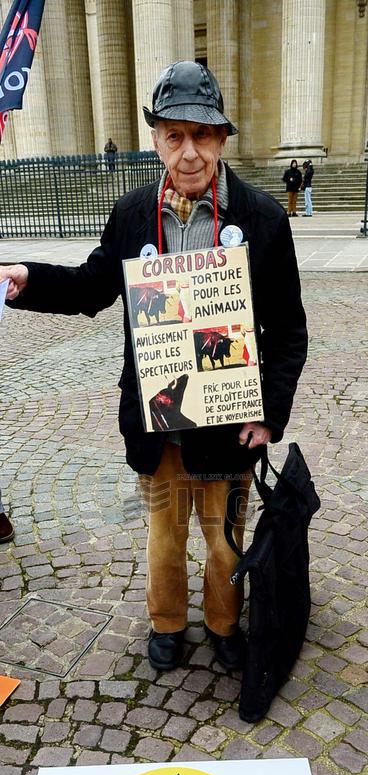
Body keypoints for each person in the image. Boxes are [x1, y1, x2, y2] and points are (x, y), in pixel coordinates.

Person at [0, 61, 307, 673]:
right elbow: (92, 285)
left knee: (223, 541)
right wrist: (30, 279)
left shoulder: (264, 219)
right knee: (163, 538)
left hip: (228, 421)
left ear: (221, 137)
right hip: (158, 417)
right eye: (173, 136)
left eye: (201, 135)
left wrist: (269, 416)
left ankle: (223, 624)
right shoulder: (134, 212)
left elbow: (290, 331)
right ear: (157, 140)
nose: (188, 152)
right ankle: (166, 623)